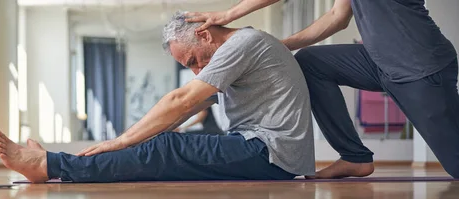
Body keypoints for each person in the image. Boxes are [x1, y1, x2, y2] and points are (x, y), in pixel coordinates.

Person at [0, 11, 315, 183]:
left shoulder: (242, 44)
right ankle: (51, 162)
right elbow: (181, 113)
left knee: (164, 146)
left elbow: (182, 100)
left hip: (271, 154)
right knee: (160, 140)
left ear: (204, 34)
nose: (195, 70)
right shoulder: (236, 52)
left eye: (193, 60)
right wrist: (138, 137)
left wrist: (119, 141)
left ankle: (49, 165)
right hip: (266, 152)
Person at [186, 0, 459, 178]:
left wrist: (229, 14)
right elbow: (337, 17)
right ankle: (355, 157)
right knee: (311, 62)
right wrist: (279, 47)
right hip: (379, 61)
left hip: (420, 65)